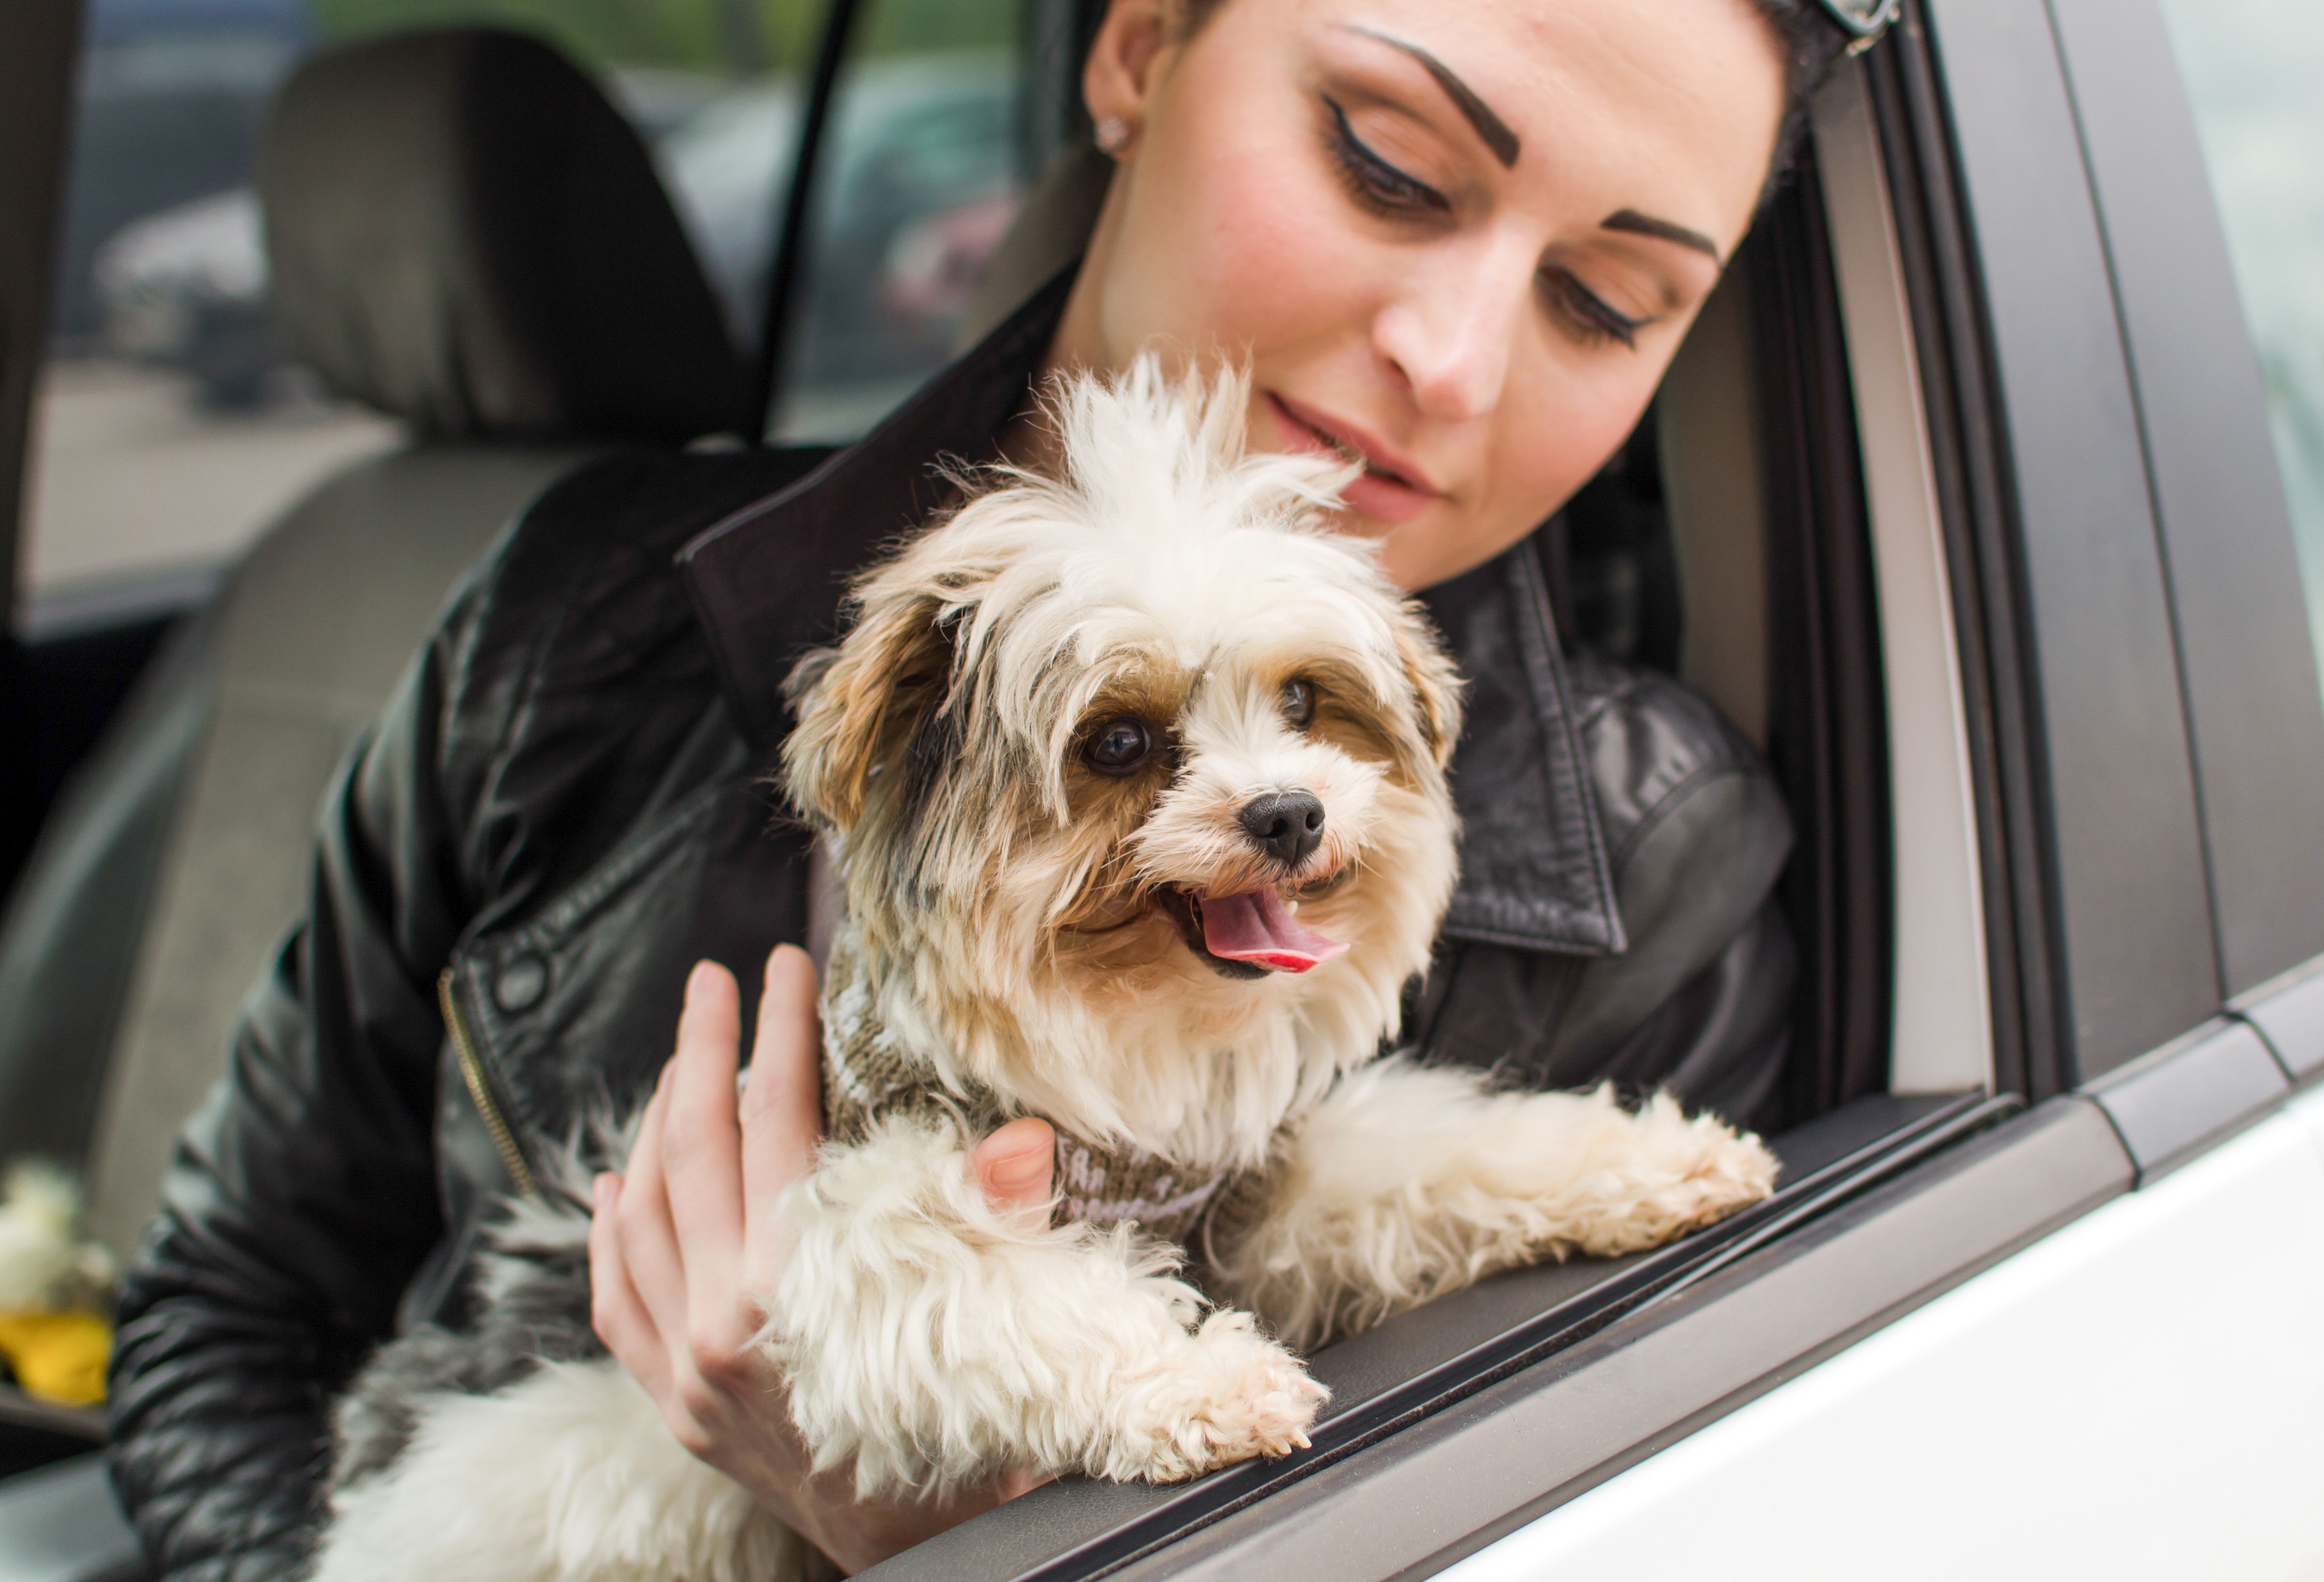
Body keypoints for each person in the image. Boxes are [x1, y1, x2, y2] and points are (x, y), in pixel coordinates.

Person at [107, 0, 1847, 1574]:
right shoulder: (568, 631)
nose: (1454, 362)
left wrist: (922, 1537)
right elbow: (230, 1315)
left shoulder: (1660, 880)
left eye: (1608, 303)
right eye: (1390, 166)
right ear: (1140, 49)